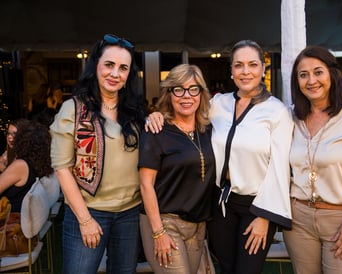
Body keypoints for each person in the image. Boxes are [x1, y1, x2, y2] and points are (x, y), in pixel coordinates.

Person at [147, 40, 294, 274]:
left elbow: (280, 169)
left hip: (255, 207)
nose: (246, 71)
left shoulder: (278, 112)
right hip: (220, 204)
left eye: (252, 64)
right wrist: (155, 116)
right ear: (232, 71)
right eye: (239, 65)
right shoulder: (218, 104)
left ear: (263, 69)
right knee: (226, 267)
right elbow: (184, 114)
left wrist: (265, 218)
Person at [50, 33, 145, 274]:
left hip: (129, 213)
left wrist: (153, 117)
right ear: (96, 66)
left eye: (123, 68)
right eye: (109, 65)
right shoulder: (73, 109)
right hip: (88, 210)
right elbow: (61, 168)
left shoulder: (134, 113)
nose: (115, 74)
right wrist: (84, 219)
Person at [283, 45, 342, 274]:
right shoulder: (290, 118)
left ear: (331, 75)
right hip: (299, 220)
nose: (311, 80)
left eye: (318, 72)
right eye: (303, 75)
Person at [139, 64, 216, 273]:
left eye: (193, 89)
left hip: (198, 225)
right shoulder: (157, 130)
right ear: (169, 93)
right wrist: (158, 233)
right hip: (165, 222)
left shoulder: (208, 130)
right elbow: (146, 185)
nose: (186, 96)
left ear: (201, 94)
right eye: (178, 89)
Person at [0, 119, 53, 212]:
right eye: (8, 133)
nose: (10, 138)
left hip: (8, 216)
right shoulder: (35, 160)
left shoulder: (20, 164)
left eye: (15, 134)